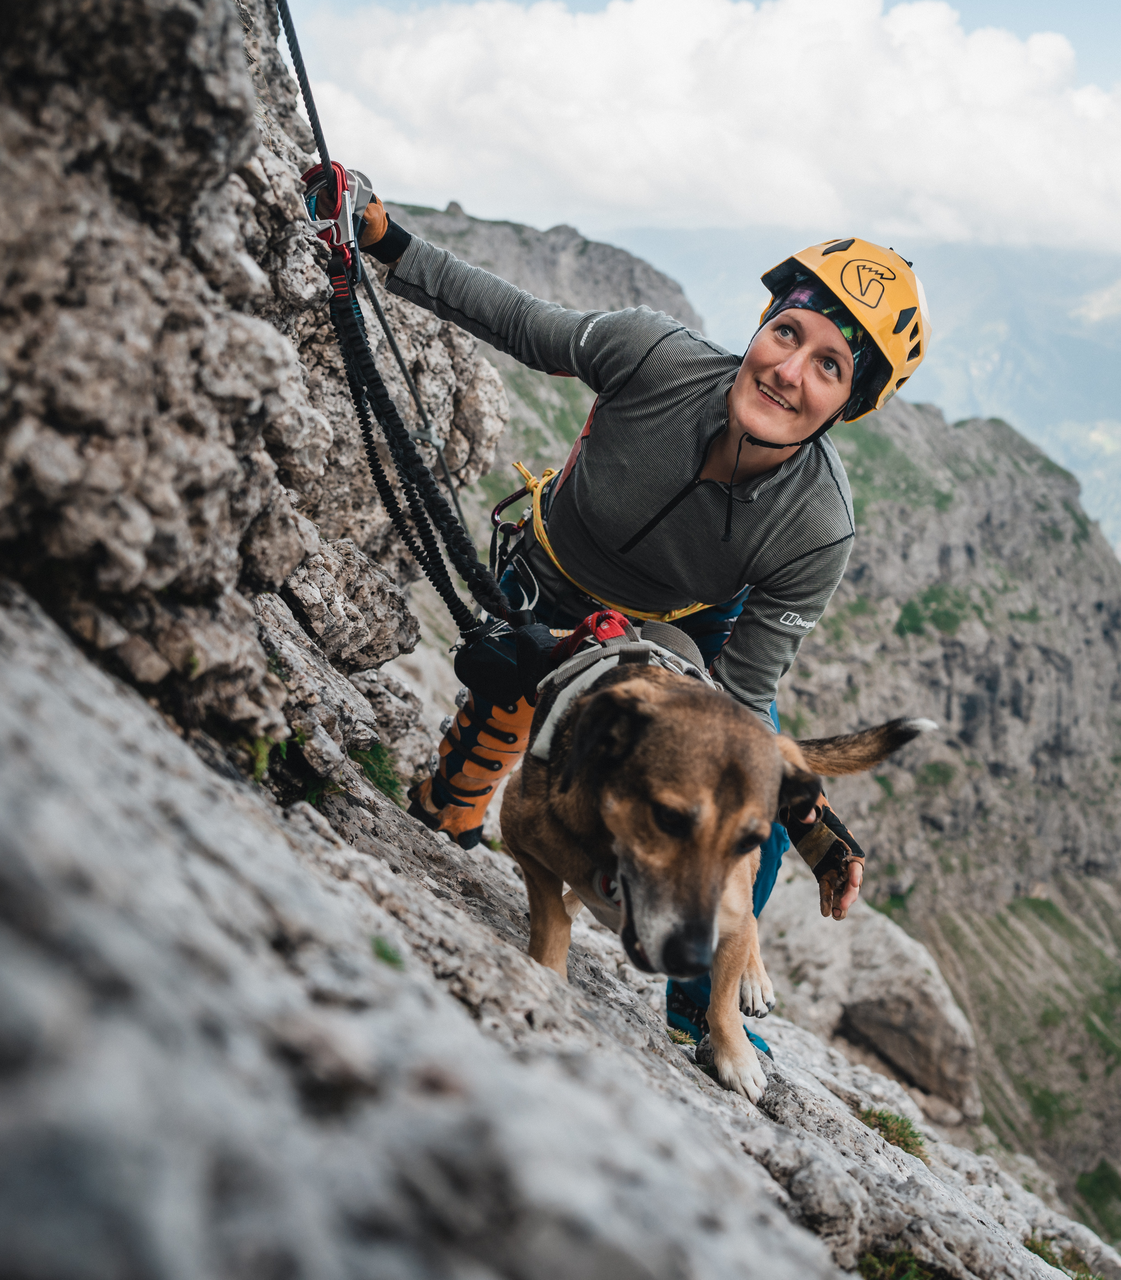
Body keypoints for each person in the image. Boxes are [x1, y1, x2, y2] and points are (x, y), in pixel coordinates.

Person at [346, 186, 930, 1048]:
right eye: (788, 333)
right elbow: (520, 319)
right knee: (455, 804)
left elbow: (735, 706)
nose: (788, 370)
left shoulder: (815, 523)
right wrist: (388, 242)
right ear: (764, 324)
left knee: (741, 806)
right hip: (546, 582)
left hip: (675, 634)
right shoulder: (653, 354)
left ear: (848, 403)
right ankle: (471, 777)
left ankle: (707, 1007)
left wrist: (790, 818)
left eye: (830, 367)